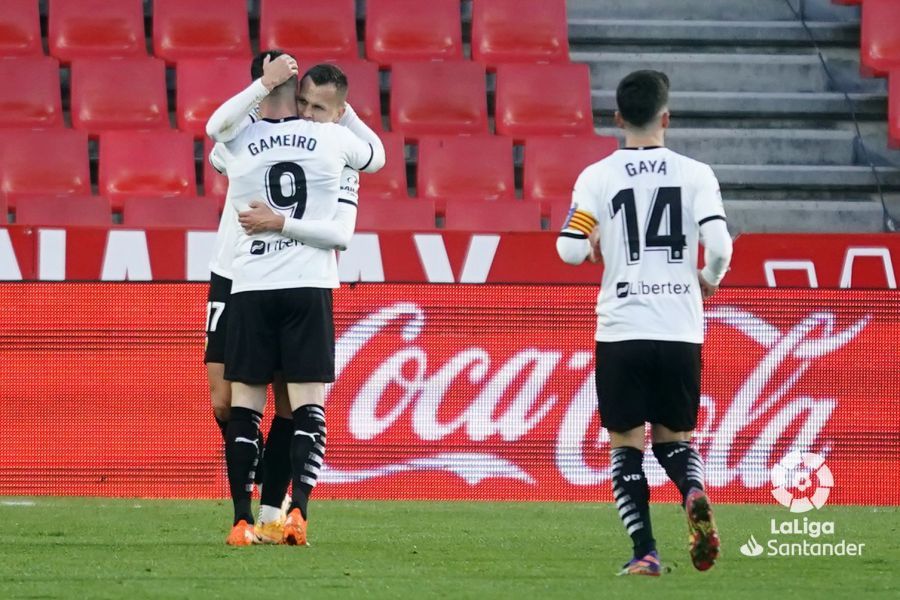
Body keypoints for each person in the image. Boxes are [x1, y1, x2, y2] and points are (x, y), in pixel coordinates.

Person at [556, 70, 733, 576]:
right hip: (679, 328)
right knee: (674, 440)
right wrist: (708, 279)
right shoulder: (696, 174)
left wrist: (592, 244)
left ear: (617, 118)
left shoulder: (597, 177)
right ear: (666, 118)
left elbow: (569, 249)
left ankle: (646, 552)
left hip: (623, 328)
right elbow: (720, 246)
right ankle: (692, 490)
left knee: (626, 446)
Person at [206, 53, 384, 547]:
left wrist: (277, 221)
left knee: (260, 402)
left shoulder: (244, 141)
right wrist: (330, 111)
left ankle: (256, 516)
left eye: (319, 106)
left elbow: (215, 129)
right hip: (278, 280)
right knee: (276, 403)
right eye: (303, 102)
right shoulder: (333, 142)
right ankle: (285, 511)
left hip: (263, 280)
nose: (308, 112)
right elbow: (377, 156)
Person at [203, 52, 300, 541]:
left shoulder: (310, 140)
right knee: (224, 402)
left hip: (285, 273)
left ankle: (267, 511)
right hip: (231, 273)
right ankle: (252, 463)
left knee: (285, 400)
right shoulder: (238, 136)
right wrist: (262, 86)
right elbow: (216, 129)